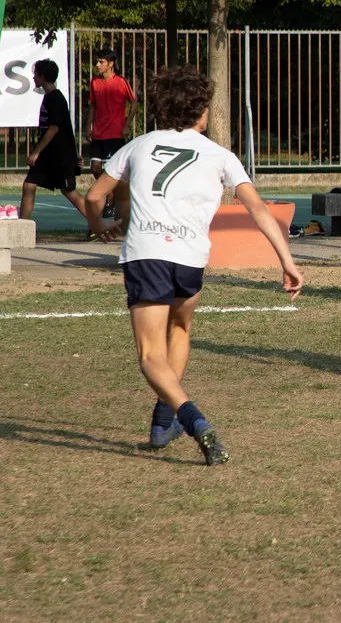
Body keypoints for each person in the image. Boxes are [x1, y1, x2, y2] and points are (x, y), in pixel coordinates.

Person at [84, 66, 304, 464]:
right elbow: (257, 208)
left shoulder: (138, 145)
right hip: (189, 258)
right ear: (200, 111)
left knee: (151, 355)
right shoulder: (220, 155)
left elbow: (94, 196)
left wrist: (99, 226)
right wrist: (286, 261)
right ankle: (160, 423)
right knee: (181, 327)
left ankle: (194, 420)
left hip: (147, 254)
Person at [20, 59, 86, 222]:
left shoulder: (55, 98)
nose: (33, 78)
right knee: (29, 186)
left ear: (42, 77)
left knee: (69, 191)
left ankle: (97, 222)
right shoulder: (49, 97)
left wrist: (36, 152)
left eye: (35, 74)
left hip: (59, 157)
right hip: (48, 156)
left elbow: (55, 128)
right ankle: (23, 228)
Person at [86, 48, 137, 220]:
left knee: (111, 170)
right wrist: (88, 126)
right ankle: (111, 195)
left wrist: (126, 125)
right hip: (98, 134)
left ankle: (110, 200)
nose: (97, 65)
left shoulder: (121, 83)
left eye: (101, 62)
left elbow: (134, 103)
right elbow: (92, 105)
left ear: (111, 64)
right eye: (97, 62)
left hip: (114, 134)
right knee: (95, 168)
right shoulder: (95, 83)